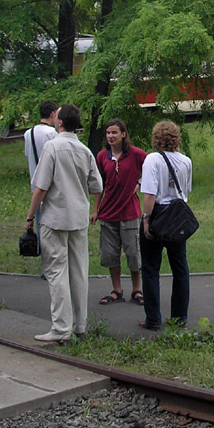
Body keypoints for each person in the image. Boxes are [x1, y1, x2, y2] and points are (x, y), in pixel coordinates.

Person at [23, 104, 103, 342]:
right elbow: (96, 187)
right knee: (79, 272)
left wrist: (29, 218)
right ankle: (80, 325)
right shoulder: (84, 150)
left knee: (57, 273)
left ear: (58, 122)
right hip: (78, 219)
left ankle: (61, 328)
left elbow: (41, 187)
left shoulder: (52, 147)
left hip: (55, 218)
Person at [139, 120, 192, 330]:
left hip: (158, 212)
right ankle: (179, 316)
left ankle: (153, 318)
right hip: (177, 214)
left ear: (156, 138)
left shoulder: (152, 159)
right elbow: (186, 191)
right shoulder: (186, 161)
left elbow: (149, 193)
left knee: (151, 268)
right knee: (180, 267)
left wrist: (146, 218)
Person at [93, 118, 147, 306]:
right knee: (110, 253)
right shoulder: (102, 156)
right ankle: (117, 289)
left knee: (133, 253)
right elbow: (99, 184)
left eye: (114, 133)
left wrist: (139, 184)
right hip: (108, 213)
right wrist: (95, 210)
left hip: (130, 212)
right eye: (108, 133)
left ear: (123, 134)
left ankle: (136, 289)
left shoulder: (136, 154)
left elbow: (151, 171)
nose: (111, 136)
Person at [24, 100, 59, 184]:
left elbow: (27, 154)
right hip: (50, 183)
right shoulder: (52, 133)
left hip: (35, 181)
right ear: (52, 114)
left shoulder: (28, 133)